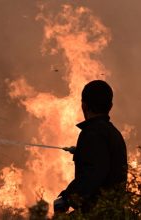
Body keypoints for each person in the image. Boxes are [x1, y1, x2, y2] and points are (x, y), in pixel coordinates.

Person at [54, 80, 128, 214]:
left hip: (97, 212)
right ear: (110, 106)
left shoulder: (92, 133)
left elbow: (93, 172)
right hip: (114, 211)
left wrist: (67, 198)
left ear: (84, 105)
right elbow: (102, 160)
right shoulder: (113, 133)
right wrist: (83, 152)